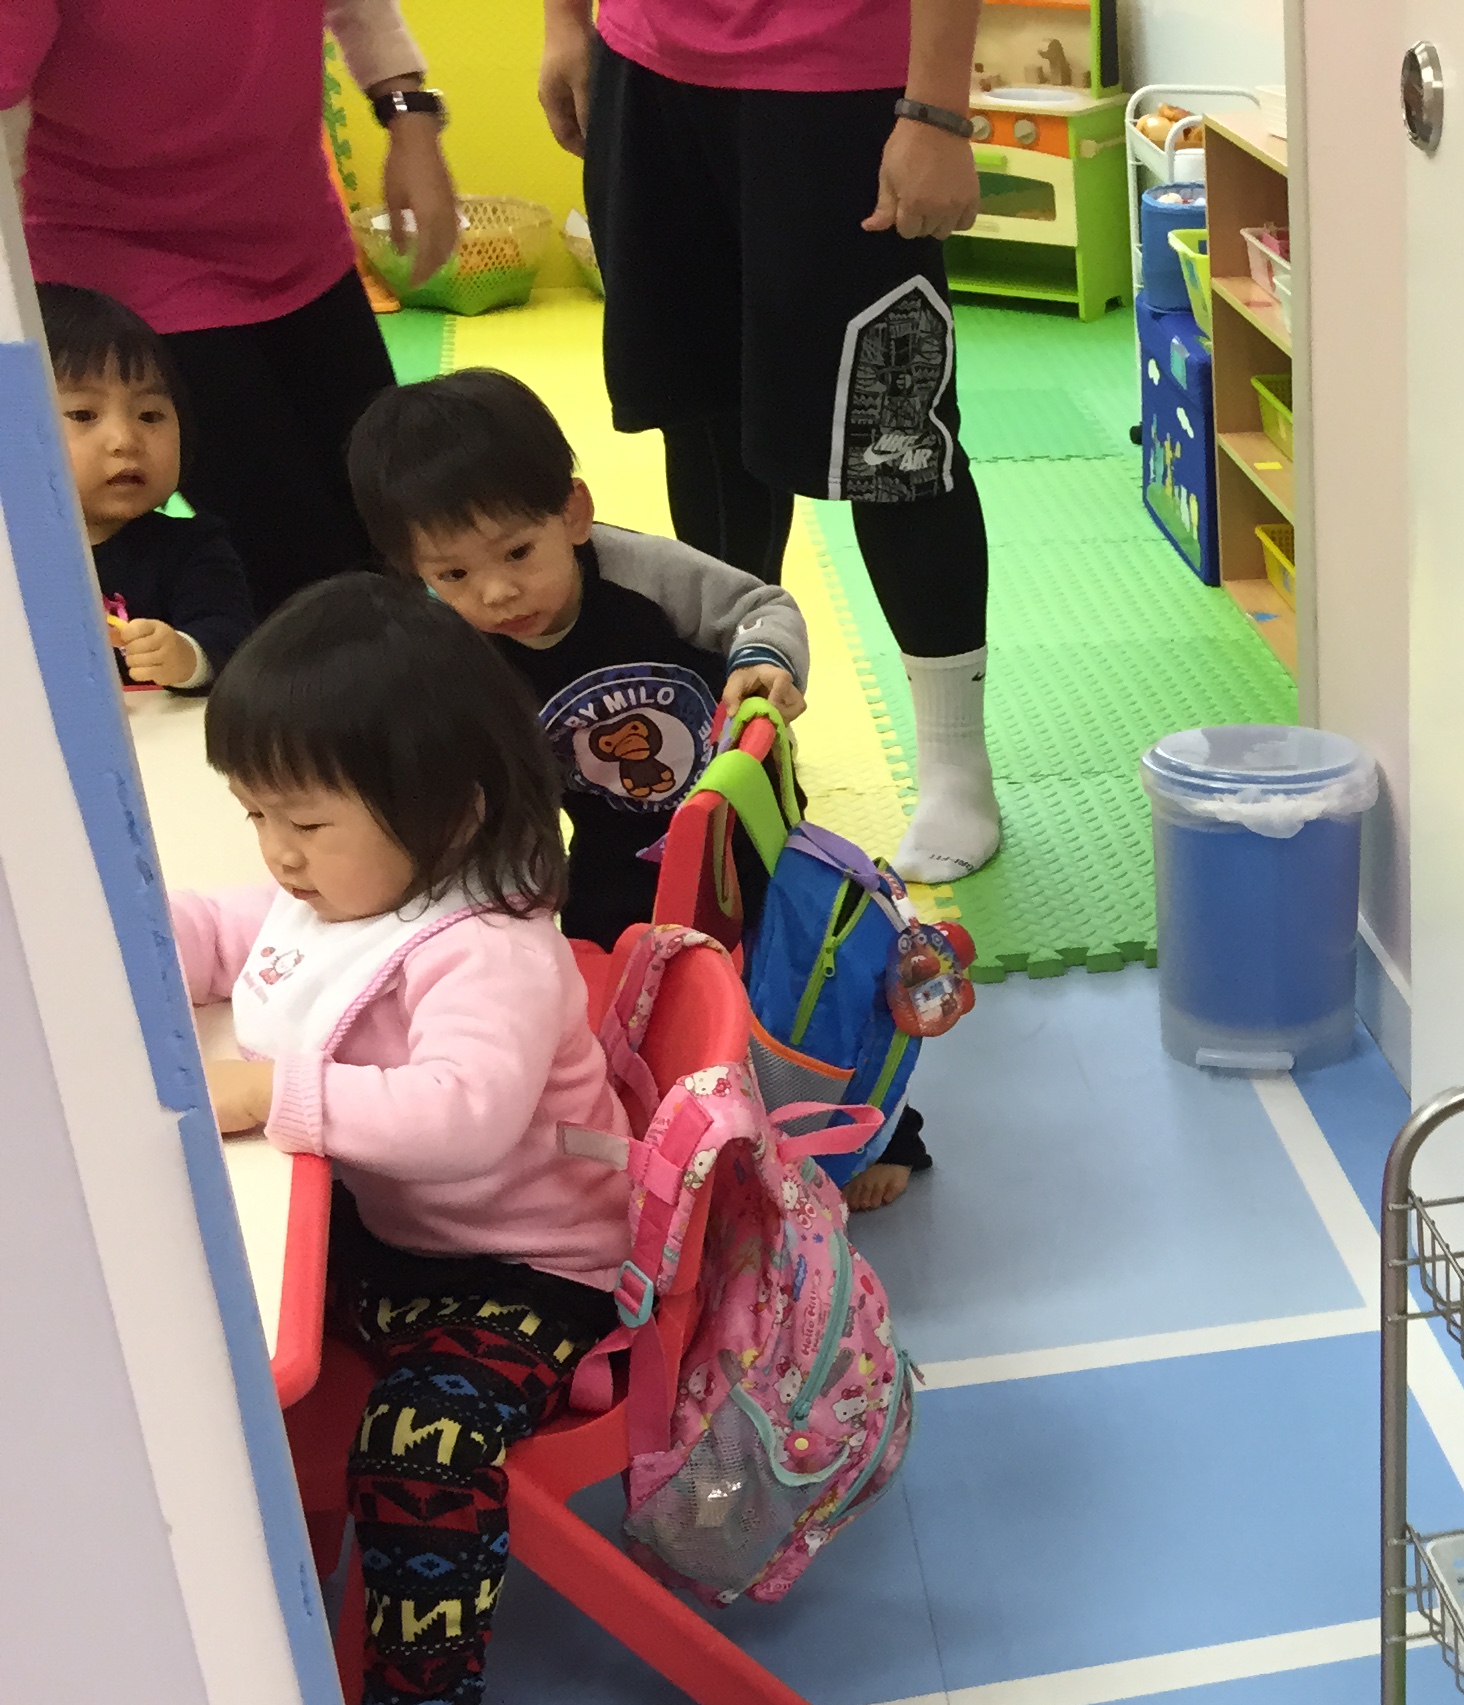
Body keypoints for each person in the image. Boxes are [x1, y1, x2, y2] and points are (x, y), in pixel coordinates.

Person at [173, 576, 634, 1705]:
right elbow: (228, 932)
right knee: (195, 1311)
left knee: (418, 1456)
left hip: (534, 1270)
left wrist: (274, 1091)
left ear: (450, 811)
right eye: (256, 815)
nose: (278, 854)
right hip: (409, 1241)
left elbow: (463, 1116)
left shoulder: (488, 946)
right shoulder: (354, 892)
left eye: (304, 822)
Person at [342, 367, 933, 1210]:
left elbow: (761, 606)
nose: (497, 592)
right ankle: (670, 1133)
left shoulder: (641, 574)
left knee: (802, 988)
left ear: (572, 513)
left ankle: (889, 1130)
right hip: (614, 846)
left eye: (517, 553)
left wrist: (765, 663)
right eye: (454, 576)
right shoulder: (457, 645)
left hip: (742, 829)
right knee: (607, 993)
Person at [538, 0, 1006, 885]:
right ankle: (746, 731)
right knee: (703, 421)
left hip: (841, 83)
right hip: (647, 65)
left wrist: (937, 110)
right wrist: (565, 23)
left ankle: (954, 762)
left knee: (893, 439)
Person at [3, 0, 461, 611]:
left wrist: (410, 119)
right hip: (127, 257)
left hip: (296, 234)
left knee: (395, 516)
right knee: (295, 562)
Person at [42, 282, 256, 692]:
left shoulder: (192, 548)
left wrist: (186, 656)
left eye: (150, 415)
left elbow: (233, 641)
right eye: (83, 414)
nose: (125, 440)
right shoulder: (13, 557)